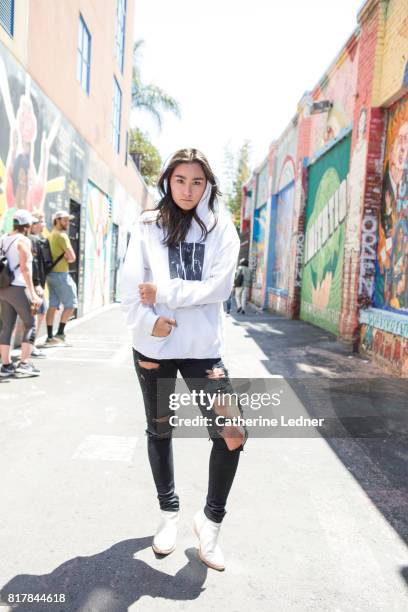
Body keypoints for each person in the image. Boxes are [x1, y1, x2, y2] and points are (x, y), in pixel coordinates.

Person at [121, 148, 248, 572]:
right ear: (167, 182)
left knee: (232, 432)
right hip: (154, 347)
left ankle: (209, 522)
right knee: (160, 430)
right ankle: (168, 515)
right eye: (180, 181)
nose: (188, 190)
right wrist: (145, 317)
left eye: (197, 182)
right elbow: (130, 287)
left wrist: (164, 294)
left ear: (207, 184)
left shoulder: (220, 226)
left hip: (203, 351)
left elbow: (219, 288)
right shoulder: (147, 225)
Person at [0, 209, 42, 377]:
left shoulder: (2, 239)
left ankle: (6, 365)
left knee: (6, 326)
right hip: (18, 287)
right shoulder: (23, 241)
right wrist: (33, 294)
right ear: (27, 225)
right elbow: (25, 269)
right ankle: (24, 363)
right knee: (30, 323)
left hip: (3, 288)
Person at [44, 210, 77, 345]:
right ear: (57, 220)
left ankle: (50, 337)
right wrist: (68, 259)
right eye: (64, 220)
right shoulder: (62, 236)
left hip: (50, 274)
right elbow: (72, 257)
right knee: (71, 304)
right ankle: (60, 334)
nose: (67, 223)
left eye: (68, 220)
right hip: (61, 275)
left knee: (53, 305)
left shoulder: (51, 235)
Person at [29, 213, 48, 357]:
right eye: (41, 221)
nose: (43, 224)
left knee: (39, 314)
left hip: (35, 284)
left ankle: (31, 345)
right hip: (34, 286)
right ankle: (31, 346)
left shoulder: (37, 240)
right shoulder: (33, 240)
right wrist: (37, 284)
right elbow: (33, 264)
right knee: (37, 314)